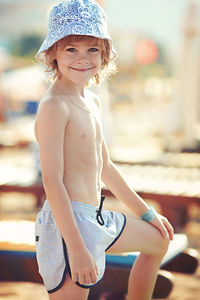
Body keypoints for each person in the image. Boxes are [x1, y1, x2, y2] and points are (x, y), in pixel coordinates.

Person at [34, 1, 174, 299]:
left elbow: (105, 167)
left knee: (158, 240)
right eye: (72, 49)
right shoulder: (54, 107)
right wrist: (76, 248)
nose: (82, 58)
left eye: (92, 50)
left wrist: (147, 214)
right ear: (53, 54)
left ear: (104, 55)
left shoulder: (91, 101)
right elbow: (52, 182)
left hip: (95, 217)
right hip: (66, 225)